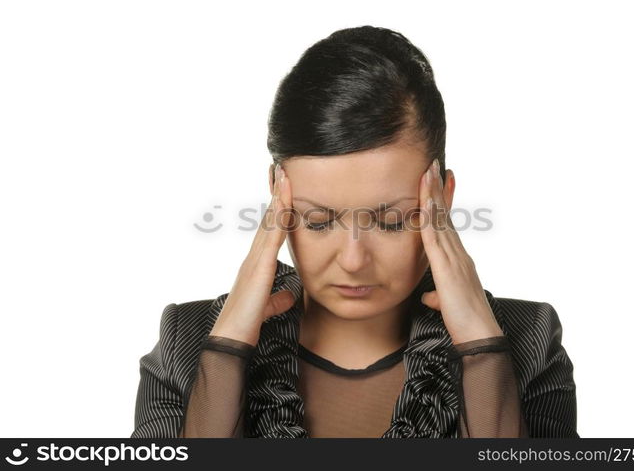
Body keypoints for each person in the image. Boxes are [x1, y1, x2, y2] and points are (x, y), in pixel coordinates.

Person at [131, 26, 578, 438]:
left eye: (390, 221)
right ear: (276, 199)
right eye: (319, 221)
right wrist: (227, 354)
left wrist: (482, 350)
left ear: (443, 198)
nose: (353, 259)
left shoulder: (526, 340)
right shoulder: (187, 343)